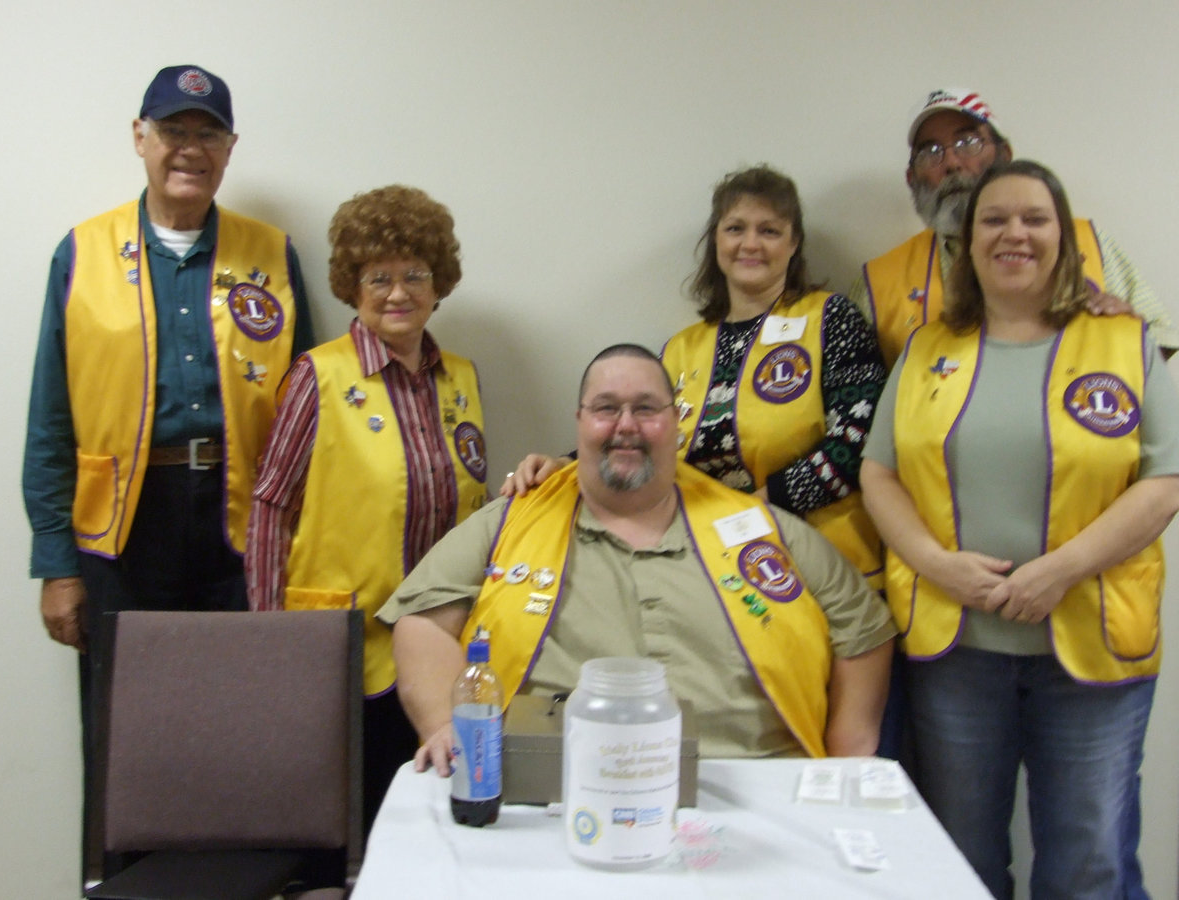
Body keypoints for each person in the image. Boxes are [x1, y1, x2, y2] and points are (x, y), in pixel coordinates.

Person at [859, 160, 1179, 899]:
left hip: (1093, 652)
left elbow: (1163, 482)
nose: (1015, 234)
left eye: (1035, 218)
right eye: (994, 220)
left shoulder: (1124, 343)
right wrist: (936, 564)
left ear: (1064, 238)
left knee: (1088, 860)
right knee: (959, 859)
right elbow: (880, 475)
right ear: (966, 244)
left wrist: (1059, 570)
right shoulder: (926, 349)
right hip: (956, 652)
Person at [22, 64, 312, 874]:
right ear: (140, 139)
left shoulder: (272, 255)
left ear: (230, 149)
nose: (190, 148)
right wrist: (56, 562)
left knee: (241, 725)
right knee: (125, 733)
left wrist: (297, 549)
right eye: (174, 131)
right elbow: (51, 419)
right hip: (120, 531)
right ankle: (118, 885)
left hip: (239, 523)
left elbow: (306, 415)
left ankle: (240, 885)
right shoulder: (80, 253)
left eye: (207, 133)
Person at [381, 344, 895, 776]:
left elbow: (863, 628)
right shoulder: (513, 520)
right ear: (580, 422)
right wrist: (447, 725)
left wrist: (847, 754)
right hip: (557, 785)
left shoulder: (758, 528)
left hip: (754, 780)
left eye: (646, 409)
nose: (625, 425)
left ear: (676, 423)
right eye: (606, 408)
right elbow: (423, 622)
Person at [504, 166, 887, 589]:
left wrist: (756, 508)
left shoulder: (831, 318)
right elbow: (641, 437)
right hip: (720, 568)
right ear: (717, 240)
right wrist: (565, 466)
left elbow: (859, 440)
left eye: (770, 231)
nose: (750, 244)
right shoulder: (680, 349)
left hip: (826, 566)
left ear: (794, 242)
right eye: (735, 228)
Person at [245, 185, 488, 826]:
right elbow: (270, 506)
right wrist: (270, 640)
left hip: (440, 646)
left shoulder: (460, 378)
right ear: (352, 287)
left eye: (415, 274)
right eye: (379, 277)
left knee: (437, 820)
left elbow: (474, 510)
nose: (399, 292)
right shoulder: (317, 377)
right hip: (344, 649)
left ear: (440, 283)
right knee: (352, 826)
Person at [850, 87, 1178, 368]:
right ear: (911, 178)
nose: (951, 163)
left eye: (968, 143)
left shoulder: (1085, 242)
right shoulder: (878, 284)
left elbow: (1158, 344)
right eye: (931, 152)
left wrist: (1124, 332)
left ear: (1004, 155)